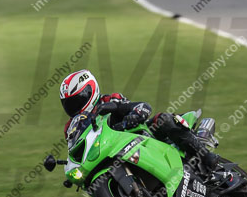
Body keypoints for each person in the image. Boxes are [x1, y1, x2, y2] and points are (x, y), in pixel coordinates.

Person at [58, 69, 218, 170]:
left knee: (162, 119)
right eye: (69, 105)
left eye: (77, 101)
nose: (74, 108)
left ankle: (205, 155)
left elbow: (143, 106)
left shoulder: (108, 100)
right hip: (110, 154)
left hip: (140, 138)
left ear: (90, 92)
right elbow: (75, 151)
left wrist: (134, 116)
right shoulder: (71, 128)